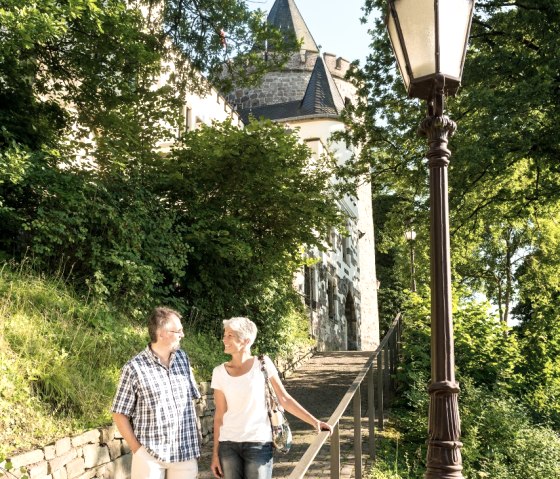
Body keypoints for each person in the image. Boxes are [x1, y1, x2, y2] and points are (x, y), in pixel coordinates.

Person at [210, 317, 332, 479]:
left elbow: (284, 399)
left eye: (230, 335)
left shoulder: (262, 363)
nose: (224, 339)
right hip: (228, 445)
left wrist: (315, 422)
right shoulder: (219, 372)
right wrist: (215, 454)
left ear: (246, 341)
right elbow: (219, 415)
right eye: (225, 335)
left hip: (258, 443)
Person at [112, 306, 201, 479]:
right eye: (179, 331)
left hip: (185, 453)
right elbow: (119, 413)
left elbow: (191, 402)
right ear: (162, 334)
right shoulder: (134, 368)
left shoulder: (183, 359)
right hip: (150, 456)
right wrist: (138, 450)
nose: (182, 335)